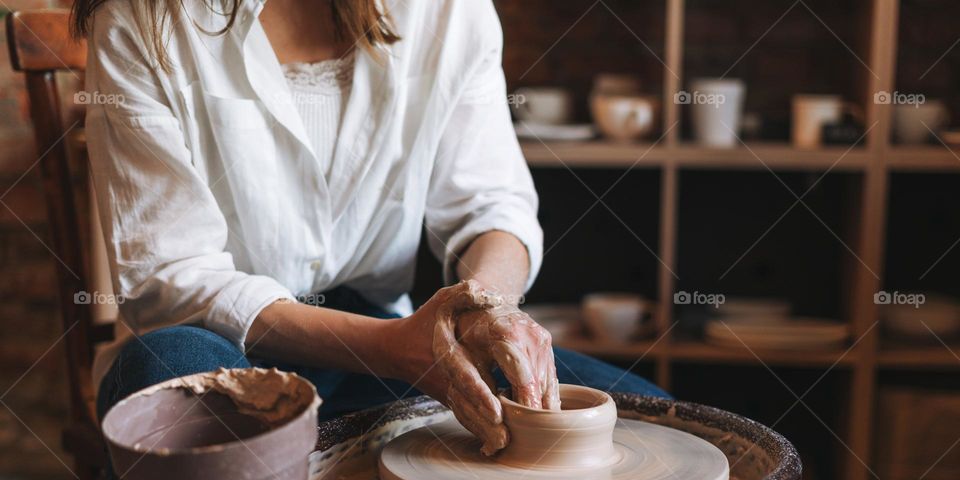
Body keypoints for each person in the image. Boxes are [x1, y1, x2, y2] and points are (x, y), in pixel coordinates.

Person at [76, 0, 667, 455]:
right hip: (229, 348)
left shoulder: (447, 12)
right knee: (167, 373)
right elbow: (171, 276)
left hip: (391, 346)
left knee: (666, 425)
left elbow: (491, 207)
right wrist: (395, 349)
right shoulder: (144, 19)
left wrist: (488, 306)